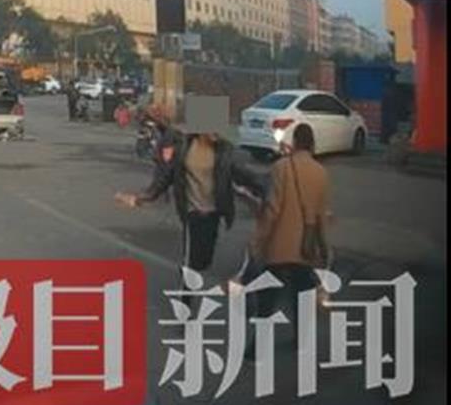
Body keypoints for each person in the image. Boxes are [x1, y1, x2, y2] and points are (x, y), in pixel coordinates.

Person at [116, 96, 264, 294]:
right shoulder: (183, 148)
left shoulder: (225, 150)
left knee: (203, 260)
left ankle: (192, 272)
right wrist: (142, 198)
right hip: (191, 211)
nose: (216, 132)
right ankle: (185, 301)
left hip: (213, 212)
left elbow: (244, 175)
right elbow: (165, 177)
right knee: (190, 263)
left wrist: (269, 187)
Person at [247, 124, 330, 346]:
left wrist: (258, 240)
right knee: (302, 295)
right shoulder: (321, 173)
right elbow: (321, 215)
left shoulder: (281, 167)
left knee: (267, 298)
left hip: (279, 246)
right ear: (312, 144)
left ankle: (259, 345)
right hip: (305, 248)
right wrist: (323, 247)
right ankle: (301, 340)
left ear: (295, 142)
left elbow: (273, 210)